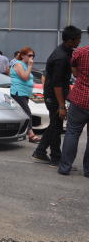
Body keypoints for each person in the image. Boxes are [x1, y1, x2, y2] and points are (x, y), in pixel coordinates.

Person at [33, 25, 82, 166]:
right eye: (78, 39)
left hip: (56, 93)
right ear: (70, 40)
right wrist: (61, 106)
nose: (80, 42)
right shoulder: (60, 58)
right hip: (54, 95)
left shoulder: (67, 51)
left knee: (55, 125)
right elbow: (57, 84)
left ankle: (42, 153)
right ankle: (53, 157)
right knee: (56, 126)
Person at [58, 28, 89, 176]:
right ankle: (88, 170)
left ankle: (65, 167)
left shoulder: (80, 52)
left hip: (80, 98)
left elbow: (75, 73)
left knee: (72, 132)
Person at [10, 47, 41, 143]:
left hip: (24, 93)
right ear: (23, 55)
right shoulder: (19, 64)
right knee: (27, 113)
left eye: (33, 56)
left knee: (22, 113)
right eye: (30, 55)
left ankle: (18, 132)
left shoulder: (25, 64)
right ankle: (31, 135)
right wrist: (30, 66)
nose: (32, 58)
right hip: (18, 92)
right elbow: (24, 77)